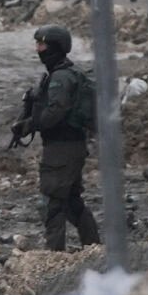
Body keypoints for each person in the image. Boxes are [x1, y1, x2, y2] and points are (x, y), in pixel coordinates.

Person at [13, 25, 101, 251]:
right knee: (71, 203)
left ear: (54, 47)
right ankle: (94, 249)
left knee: (52, 204)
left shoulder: (61, 78)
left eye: (41, 44)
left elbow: (55, 113)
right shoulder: (63, 74)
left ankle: (55, 258)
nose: (38, 49)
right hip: (68, 147)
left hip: (62, 149)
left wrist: (28, 125)